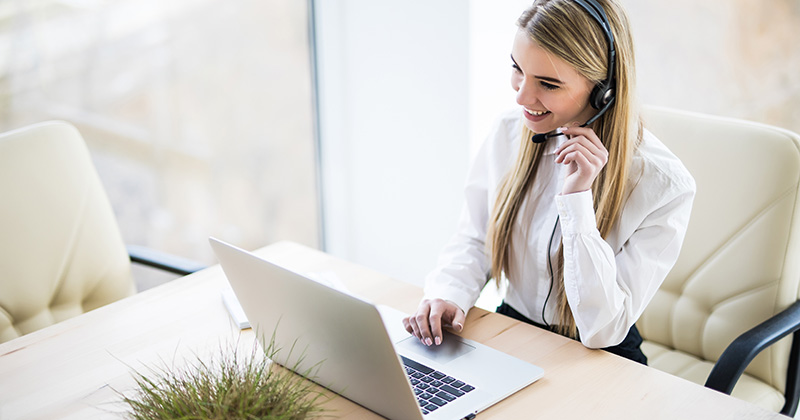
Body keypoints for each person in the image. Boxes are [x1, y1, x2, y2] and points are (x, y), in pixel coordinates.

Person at [402, 0, 695, 364]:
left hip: (601, 356)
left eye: (548, 84)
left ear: (604, 89)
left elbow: (602, 329)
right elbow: (475, 238)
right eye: (517, 69)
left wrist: (578, 202)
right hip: (515, 330)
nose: (522, 96)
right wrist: (448, 293)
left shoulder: (663, 185)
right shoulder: (509, 132)